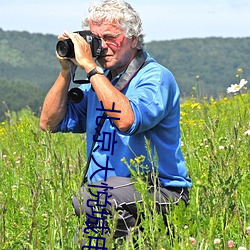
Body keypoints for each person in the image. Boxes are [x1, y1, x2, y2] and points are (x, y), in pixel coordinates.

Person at [40, 0, 192, 246]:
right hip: (109, 197)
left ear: (133, 39)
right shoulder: (98, 83)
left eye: (111, 37)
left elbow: (127, 121)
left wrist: (90, 68)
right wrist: (66, 70)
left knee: (90, 198)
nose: (102, 47)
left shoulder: (155, 77)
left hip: (160, 191)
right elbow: (49, 123)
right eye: (96, 39)